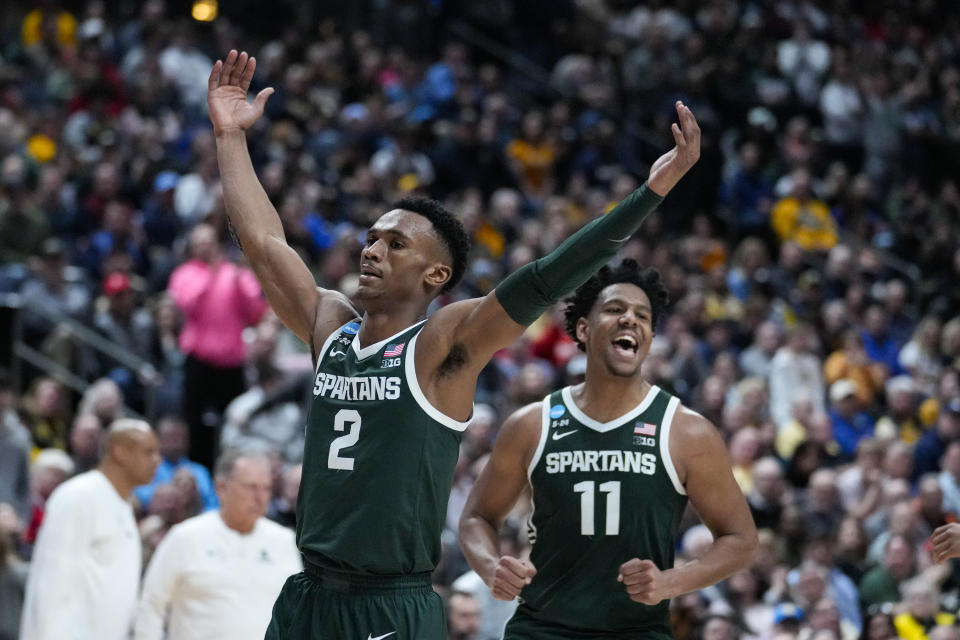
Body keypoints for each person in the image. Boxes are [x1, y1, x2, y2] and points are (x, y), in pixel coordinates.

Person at [208, 49, 701, 639]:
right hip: (307, 594)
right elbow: (263, 243)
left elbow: (544, 277)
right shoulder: (329, 325)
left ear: (435, 275)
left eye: (395, 244)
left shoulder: (441, 346)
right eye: (371, 238)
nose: (372, 249)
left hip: (389, 603)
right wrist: (230, 137)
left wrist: (649, 193)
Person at [458, 260, 757, 639]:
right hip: (541, 629)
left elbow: (741, 540)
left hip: (636, 631)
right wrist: (490, 566)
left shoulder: (687, 431)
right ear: (583, 328)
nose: (630, 319)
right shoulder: (531, 424)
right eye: (615, 310)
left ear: (649, 337)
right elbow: (476, 518)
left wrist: (671, 582)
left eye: (643, 316)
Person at [134, 450, 301, 640]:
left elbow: (297, 613)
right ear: (222, 488)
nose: (260, 497)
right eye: (251, 487)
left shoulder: (284, 540)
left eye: (266, 488)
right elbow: (151, 605)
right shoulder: (185, 537)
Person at [20, 419, 160, 640]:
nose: (157, 461)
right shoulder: (78, 496)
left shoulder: (123, 505)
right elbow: (52, 587)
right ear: (120, 452)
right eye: (148, 452)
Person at [134, 414, 218, 512]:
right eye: (170, 437)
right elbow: (139, 496)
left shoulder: (199, 471)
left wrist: (194, 495)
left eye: (179, 437)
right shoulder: (147, 467)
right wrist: (173, 492)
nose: (175, 442)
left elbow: (213, 506)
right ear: (157, 439)